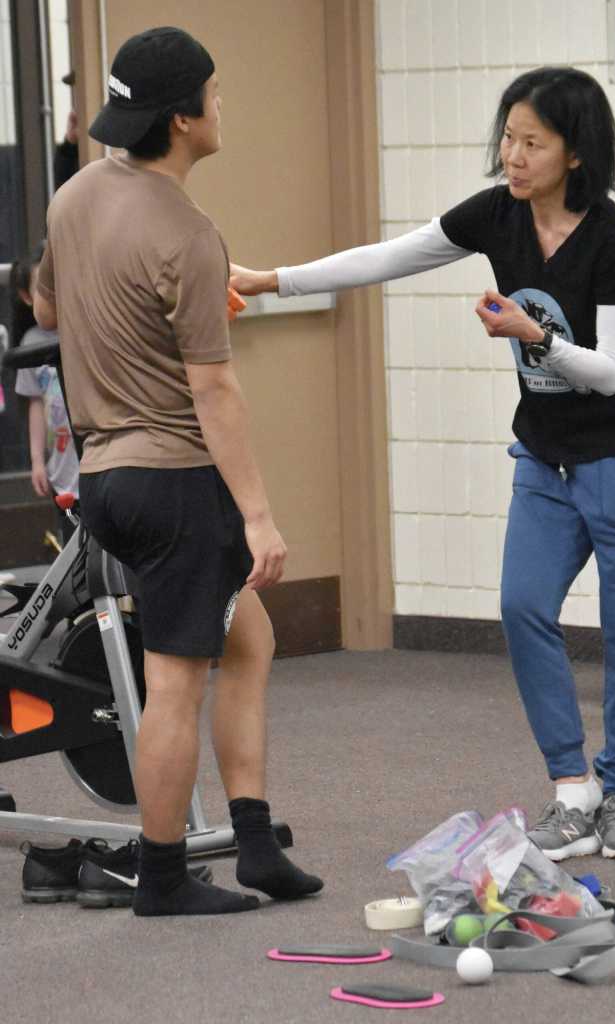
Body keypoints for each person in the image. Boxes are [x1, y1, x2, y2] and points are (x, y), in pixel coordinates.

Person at [230, 66, 615, 861]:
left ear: (574, 154)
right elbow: (390, 257)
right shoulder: (497, 216)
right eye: (507, 137)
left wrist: (530, 335)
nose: (511, 156)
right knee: (521, 605)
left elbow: (613, 369)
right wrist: (273, 280)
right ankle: (569, 793)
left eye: (531, 143)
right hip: (547, 454)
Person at [34, 26, 322, 915]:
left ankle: (254, 841)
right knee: (172, 683)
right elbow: (215, 392)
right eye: (214, 92)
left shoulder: (76, 197)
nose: (221, 104)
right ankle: (162, 878)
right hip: (176, 481)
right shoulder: (190, 233)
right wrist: (260, 517)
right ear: (184, 117)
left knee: (252, 641)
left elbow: (48, 300)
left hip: (109, 481)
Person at [11, 242, 80, 544]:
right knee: (74, 542)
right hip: (62, 465)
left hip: (96, 454)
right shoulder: (30, 343)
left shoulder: (82, 328)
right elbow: (36, 406)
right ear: (26, 297)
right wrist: (38, 460)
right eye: (40, 289)